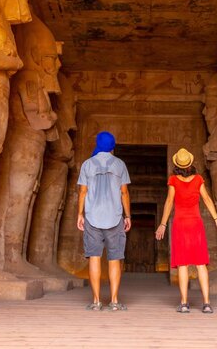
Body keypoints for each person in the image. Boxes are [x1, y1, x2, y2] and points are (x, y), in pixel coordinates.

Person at [156, 148, 217, 313]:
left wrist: (162, 224)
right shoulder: (198, 180)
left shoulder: (173, 180)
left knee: (182, 264)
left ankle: (183, 304)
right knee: (201, 264)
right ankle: (207, 304)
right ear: (190, 163)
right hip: (196, 225)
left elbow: (168, 202)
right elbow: (207, 199)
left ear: (177, 165)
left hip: (180, 225)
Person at [77, 131, 131, 311]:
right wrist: (128, 216)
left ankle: (96, 301)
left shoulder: (87, 164)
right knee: (115, 259)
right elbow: (124, 192)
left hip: (92, 217)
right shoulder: (120, 164)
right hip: (115, 217)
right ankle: (114, 302)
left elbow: (83, 192)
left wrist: (80, 214)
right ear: (113, 146)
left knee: (94, 257)